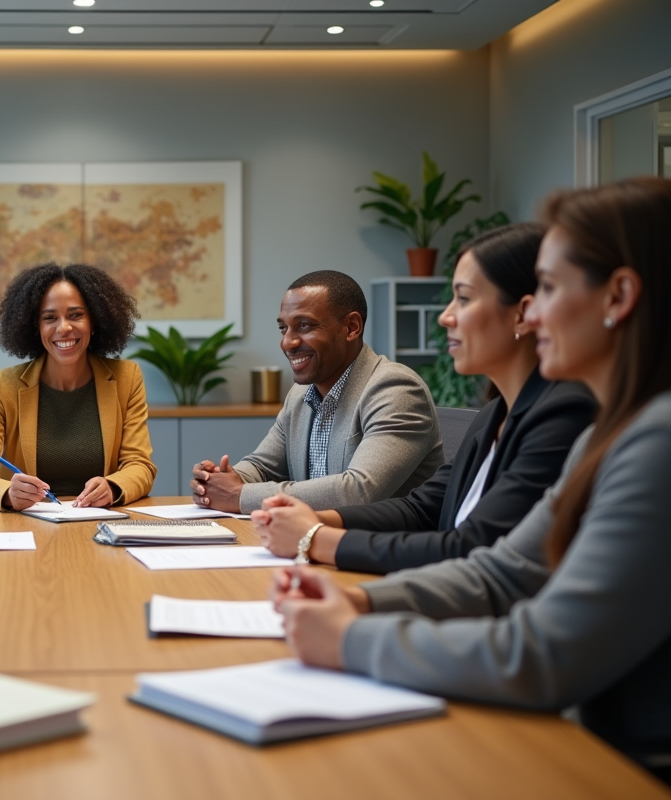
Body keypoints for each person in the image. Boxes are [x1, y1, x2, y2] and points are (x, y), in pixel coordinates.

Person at [273, 177, 671, 781]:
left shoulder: (655, 439)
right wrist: (358, 599)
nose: (533, 311)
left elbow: (544, 654)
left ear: (617, 297)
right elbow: (503, 571)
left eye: (548, 288)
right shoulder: (609, 434)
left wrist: (351, 638)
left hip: (622, 765)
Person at [253, 225, 596, 574]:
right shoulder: (494, 412)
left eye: (463, 298)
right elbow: (421, 508)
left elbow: (470, 548)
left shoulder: (565, 413)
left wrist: (314, 538)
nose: (445, 316)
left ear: (523, 315)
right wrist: (315, 518)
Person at [191, 270, 444, 514]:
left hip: (384, 542)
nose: (287, 342)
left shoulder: (395, 389)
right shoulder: (300, 394)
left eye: (304, 325)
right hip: (312, 538)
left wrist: (238, 495)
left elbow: (358, 492)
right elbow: (262, 467)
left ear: (351, 327)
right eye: (283, 328)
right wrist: (221, 480)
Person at [0, 263, 156, 511]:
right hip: (29, 522)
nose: (64, 328)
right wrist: (8, 493)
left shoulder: (126, 378)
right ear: (35, 327)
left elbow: (140, 465)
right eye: (49, 318)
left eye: (76, 315)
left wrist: (113, 487)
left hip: (100, 519)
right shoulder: (2, 386)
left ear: (94, 320)